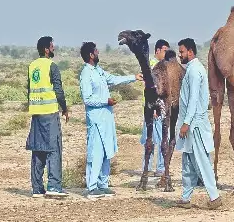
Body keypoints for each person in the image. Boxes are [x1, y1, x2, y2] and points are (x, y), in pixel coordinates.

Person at [79, 42, 143, 199]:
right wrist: (105, 101)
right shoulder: (86, 73)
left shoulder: (99, 71)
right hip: (95, 120)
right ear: (91, 55)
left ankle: (103, 184)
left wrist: (134, 77)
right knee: (95, 153)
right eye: (96, 50)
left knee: (107, 151)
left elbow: (114, 79)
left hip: (106, 119)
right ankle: (91, 186)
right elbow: (87, 99)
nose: (98, 52)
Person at [174, 38, 222, 209]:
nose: (180, 55)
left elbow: (194, 99)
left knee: (202, 161)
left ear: (190, 52)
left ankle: (214, 197)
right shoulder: (192, 69)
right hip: (190, 123)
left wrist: (186, 123)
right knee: (187, 161)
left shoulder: (195, 71)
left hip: (195, 125)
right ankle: (186, 198)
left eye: (182, 52)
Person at [26, 36, 70, 198]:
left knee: (38, 148)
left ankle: (37, 188)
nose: (53, 48)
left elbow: (29, 89)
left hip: (36, 112)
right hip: (50, 112)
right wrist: (64, 108)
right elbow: (58, 90)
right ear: (46, 49)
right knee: (54, 149)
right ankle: (54, 186)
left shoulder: (32, 66)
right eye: (52, 46)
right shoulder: (52, 66)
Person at [140, 39, 169, 177]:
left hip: (159, 107)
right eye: (164, 50)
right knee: (153, 137)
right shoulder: (153, 65)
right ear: (157, 50)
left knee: (159, 137)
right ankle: (153, 167)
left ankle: (155, 167)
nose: (166, 53)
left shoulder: (164, 65)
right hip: (154, 107)